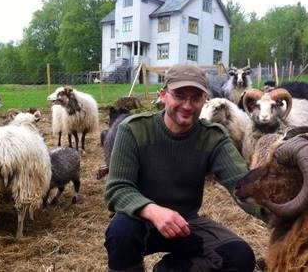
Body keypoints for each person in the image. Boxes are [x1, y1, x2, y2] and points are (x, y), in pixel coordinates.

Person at [104, 63, 264, 271]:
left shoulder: (212, 137)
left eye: (196, 97)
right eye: (179, 95)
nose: (187, 106)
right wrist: (153, 211)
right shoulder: (133, 130)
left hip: (185, 224)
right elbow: (117, 189)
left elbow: (242, 183)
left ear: (205, 100)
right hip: (139, 220)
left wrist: (276, 212)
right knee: (121, 232)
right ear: (164, 96)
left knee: (239, 257)